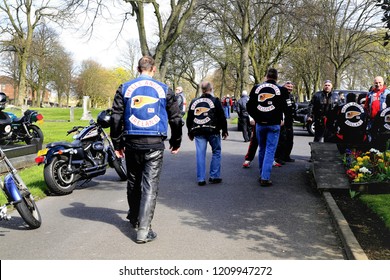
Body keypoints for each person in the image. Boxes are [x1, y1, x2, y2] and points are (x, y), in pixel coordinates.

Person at [110, 55, 182, 244]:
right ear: (154, 69)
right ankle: (143, 229)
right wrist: (176, 141)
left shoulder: (124, 88)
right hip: (154, 143)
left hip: (132, 141)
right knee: (150, 186)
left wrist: (117, 144)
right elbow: (176, 118)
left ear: (137, 68)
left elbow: (116, 117)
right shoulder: (165, 89)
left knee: (133, 181)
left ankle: (134, 218)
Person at [247, 68, 287, 187]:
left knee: (262, 149)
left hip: (261, 123)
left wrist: (256, 117)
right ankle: (265, 177)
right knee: (270, 150)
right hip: (274, 123)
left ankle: (262, 174)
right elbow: (286, 108)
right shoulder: (281, 90)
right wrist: (283, 120)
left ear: (266, 76)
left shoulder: (256, 88)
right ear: (276, 77)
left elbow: (249, 106)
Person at [186, 81, 228, 186]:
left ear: (201, 89)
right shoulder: (215, 101)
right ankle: (214, 176)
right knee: (216, 152)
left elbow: (189, 118)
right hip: (213, 130)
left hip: (198, 131)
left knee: (200, 154)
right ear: (211, 89)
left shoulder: (194, 101)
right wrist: (224, 130)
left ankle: (201, 178)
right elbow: (221, 116)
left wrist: (190, 131)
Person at [275, 81, 296, 163]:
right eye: (288, 86)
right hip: (282, 122)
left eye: (291, 87)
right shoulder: (280, 95)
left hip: (289, 121)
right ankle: (279, 157)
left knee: (290, 140)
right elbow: (280, 109)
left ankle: (287, 156)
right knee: (282, 140)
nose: (290, 88)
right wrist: (281, 119)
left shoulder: (291, 96)